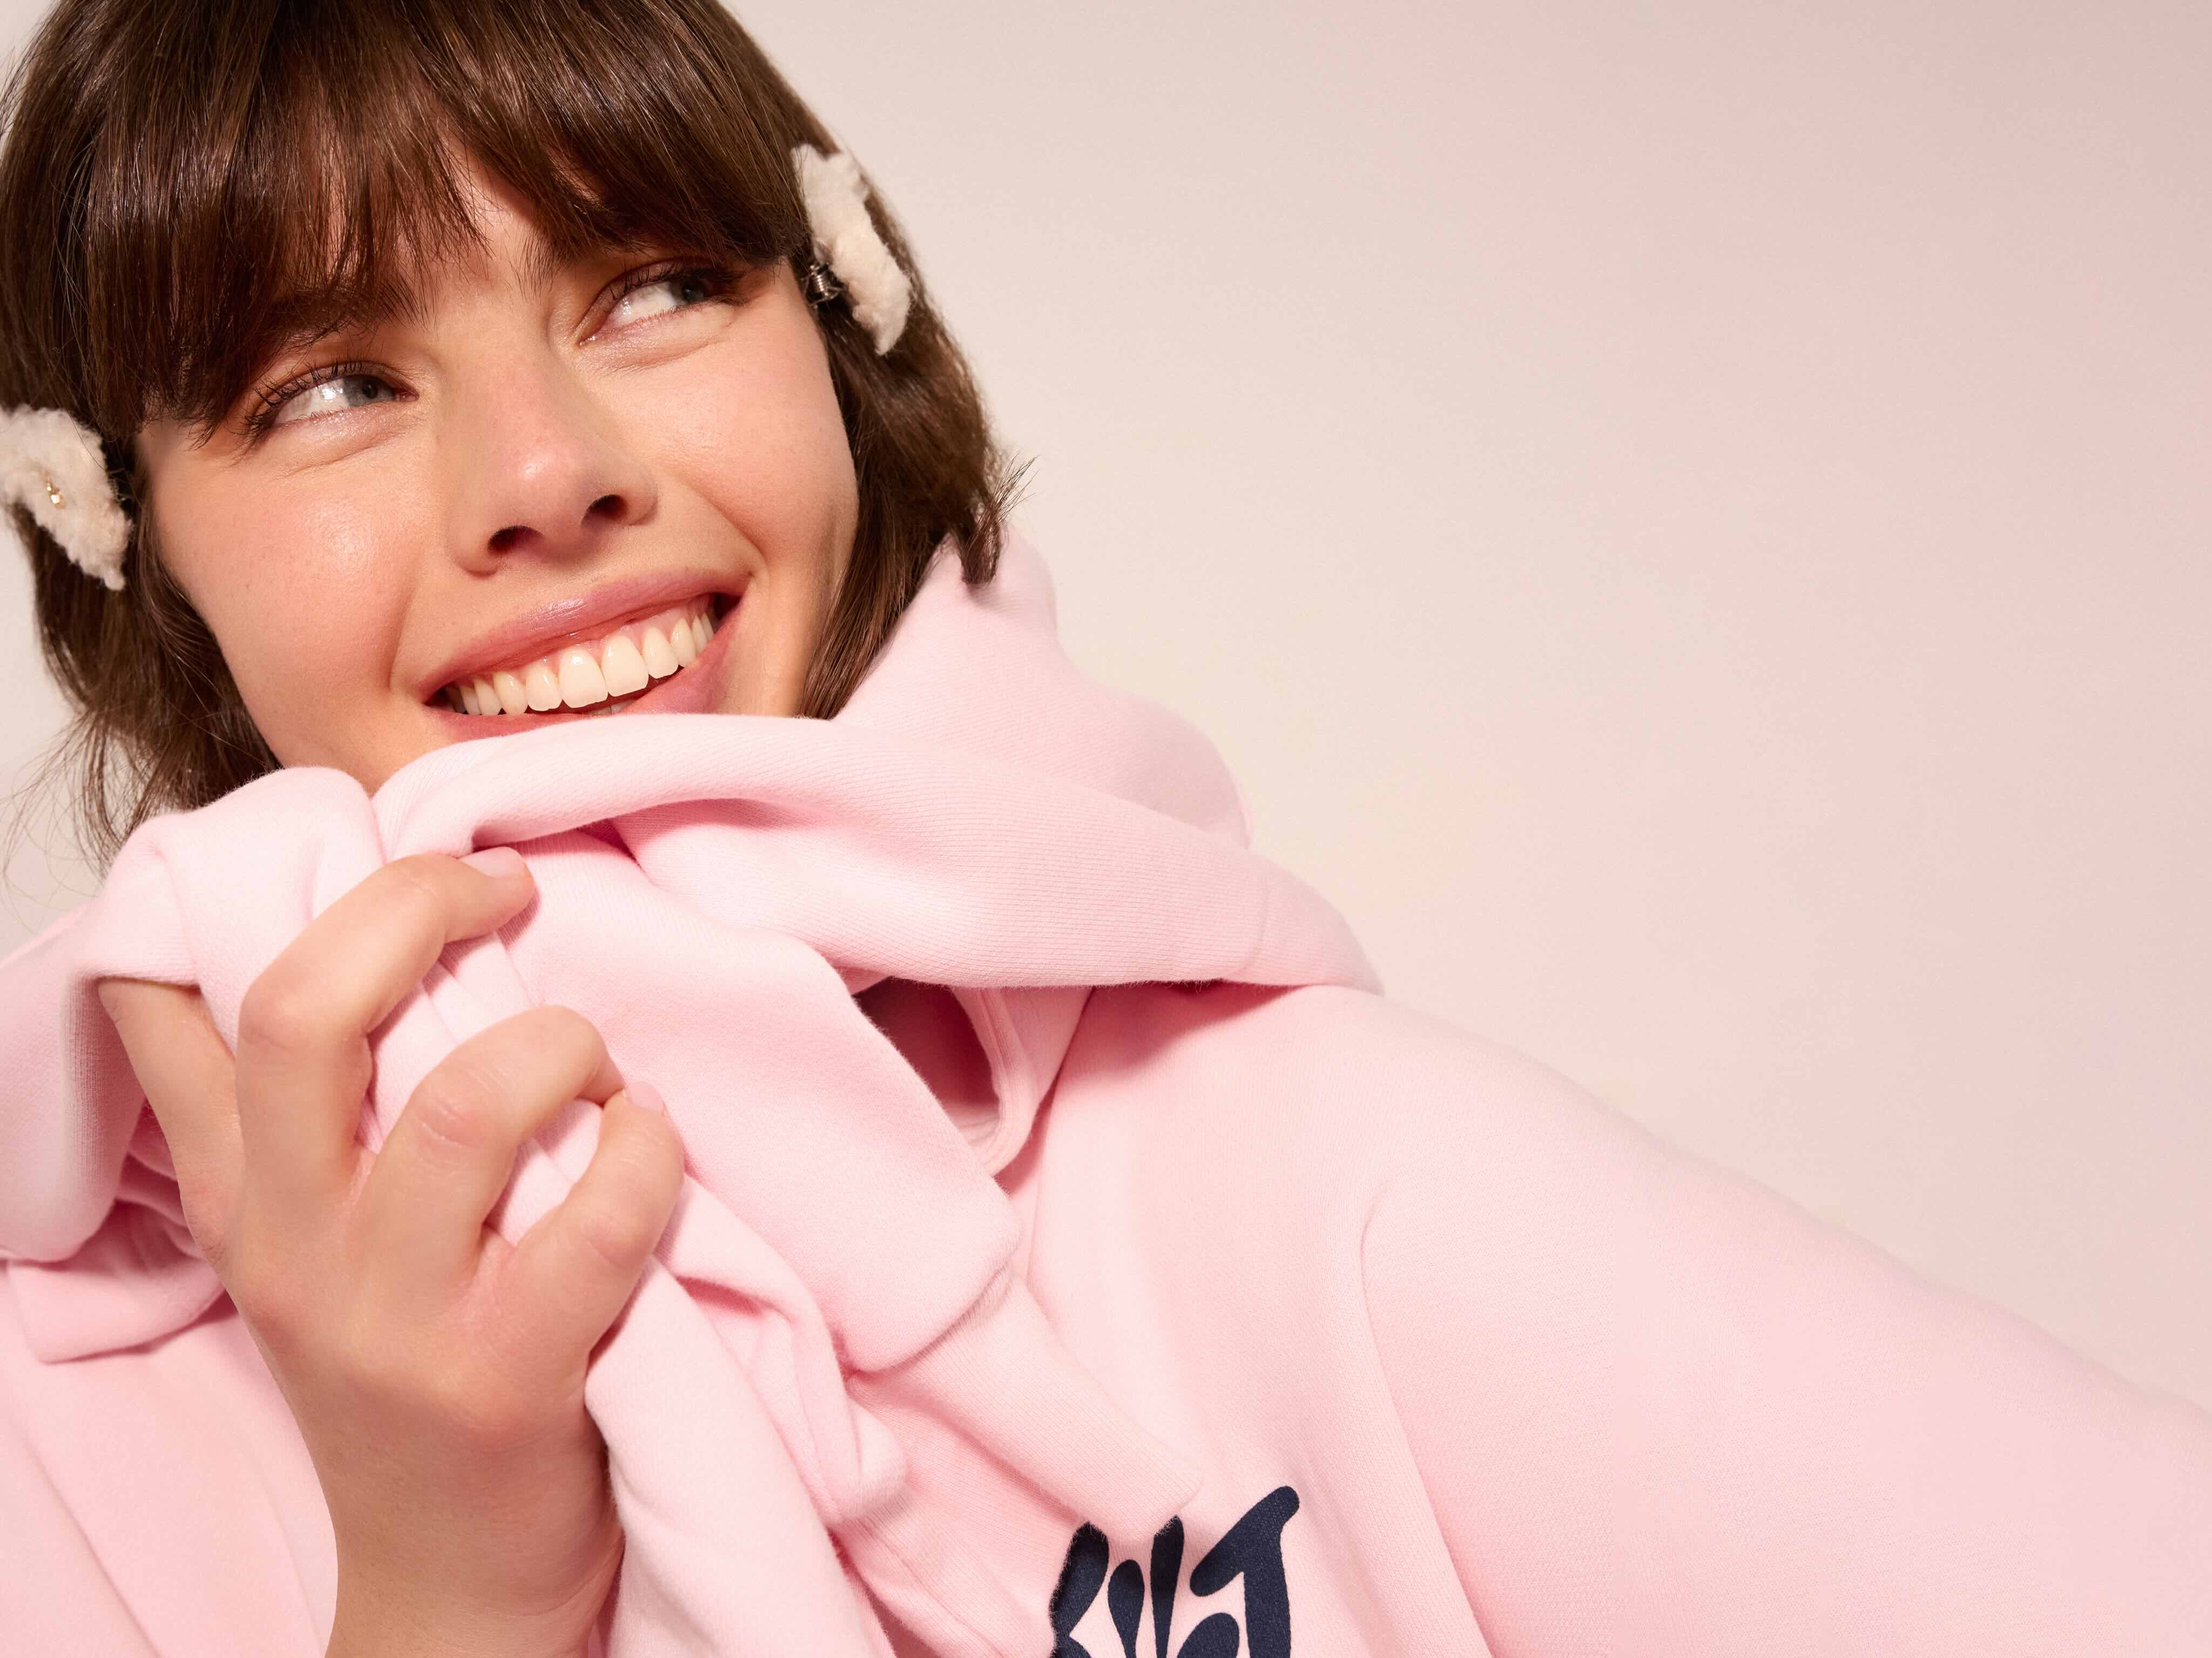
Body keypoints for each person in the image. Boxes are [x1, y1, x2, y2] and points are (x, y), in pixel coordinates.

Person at [0, 1, 2207, 1655]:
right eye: (330, 387)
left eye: (652, 284)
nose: (545, 470)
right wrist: (448, 1593)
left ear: (839, 317)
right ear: (118, 540)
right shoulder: (48, 1407)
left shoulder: (1294, 1162)